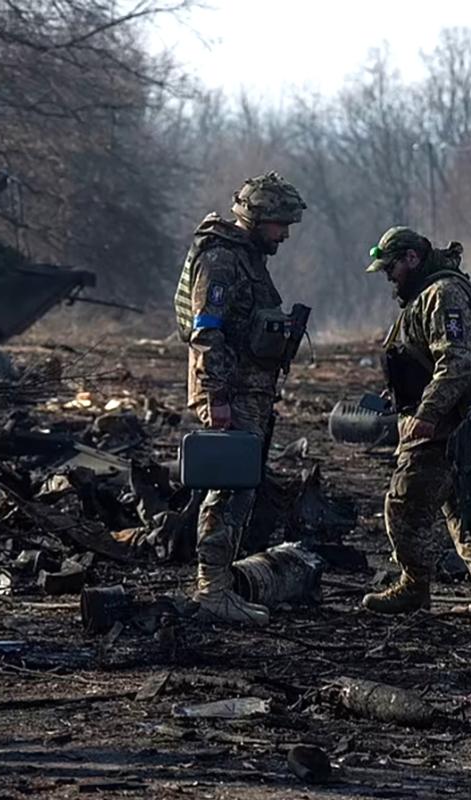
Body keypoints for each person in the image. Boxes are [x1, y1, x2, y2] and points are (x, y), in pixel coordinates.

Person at [361, 226, 471, 622]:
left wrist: (427, 414)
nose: (388, 277)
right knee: (460, 509)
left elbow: (457, 362)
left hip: (448, 423)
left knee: (405, 502)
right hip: (446, 419)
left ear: (412, 259)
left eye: (390, 268)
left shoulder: (443, 294)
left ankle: (415, 586)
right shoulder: (425, 296)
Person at [173, 171, 306, 626]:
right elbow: (206, 331)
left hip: (249, 391)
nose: (284, 234)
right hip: (229, 393)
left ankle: (221, 582)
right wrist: (217, 398)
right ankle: (212, 590)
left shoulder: (248, 258)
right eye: (279, 224)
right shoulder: (223, 260)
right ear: (258, 217)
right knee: (227, 489)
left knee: (242, 488)